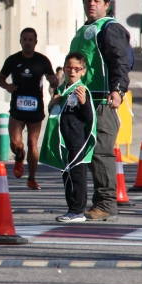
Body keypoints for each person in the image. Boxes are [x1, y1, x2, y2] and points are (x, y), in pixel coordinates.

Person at [69, 0, 131, 221]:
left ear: (106, 4)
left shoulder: (109, 28)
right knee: (81, 154)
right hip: (81, 101)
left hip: (102, 101)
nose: (91, 4)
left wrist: (118, 90)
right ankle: (82, 204)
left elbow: (120, 61)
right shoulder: (83, 30)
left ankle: (106, 204)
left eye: (96, 1)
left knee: (101, 153)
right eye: (88, 0)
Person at [0, 27, 59, 190]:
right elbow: (0, 79)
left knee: (32, 143)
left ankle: (31, 178)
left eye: (31, 40)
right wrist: (7, 86)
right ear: (20, 41)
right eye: (25, 39)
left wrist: (54, 81)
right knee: (16, 143)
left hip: (35, 107)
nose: (27, 42)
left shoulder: (42, 60)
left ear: (35, 42)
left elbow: (53, 79)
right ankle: (19, 156)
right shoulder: (13, 60)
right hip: (17, 106)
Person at [41, 53, 96, 222]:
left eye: (76, 69)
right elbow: (56, 114)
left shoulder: (82, 90)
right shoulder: (61, 90)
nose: (72, 71)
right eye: (69, 68)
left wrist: (83, 102)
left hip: (77, 140)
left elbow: (88, 116)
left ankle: (78, 210)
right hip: (63, 140)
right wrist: (51, 104)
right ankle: (71, 209)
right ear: (64, 69)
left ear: (83, 71)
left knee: (78, 176)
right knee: (67, 175)